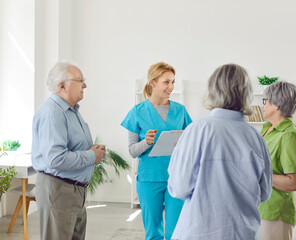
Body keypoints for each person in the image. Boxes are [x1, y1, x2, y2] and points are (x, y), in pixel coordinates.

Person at [167, 64, 273, 239]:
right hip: (242, 233)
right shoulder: (256, 138)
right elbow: (264, 193)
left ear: (212, 90)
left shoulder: (196, 130)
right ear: (247, 93)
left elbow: (178, 188)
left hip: (198, 232)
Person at [32, 61, 106, 240]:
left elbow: (71, 148)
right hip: (59, 190)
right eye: (80, 80)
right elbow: (56, 159)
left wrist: (92, 151)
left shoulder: (71, 111)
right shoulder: (53, 112)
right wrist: (91, 156)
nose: (85, 85)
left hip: (73, 190)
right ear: (62, 86)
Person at [121, 62, 192, 240]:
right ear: (152, 82)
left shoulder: (180, 111)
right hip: (149, 179)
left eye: (173, 82)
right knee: (153, 233)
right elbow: (132, 151)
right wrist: (146, 142)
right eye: (166, 82)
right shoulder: (137, 112)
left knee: (175, 233)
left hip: (176, 177)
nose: (171, 87)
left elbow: (192, 141)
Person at [258, 81, 296, 240]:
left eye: (265, 101)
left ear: (277, 105)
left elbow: (295, 182)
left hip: (276, 211)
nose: (263, 105)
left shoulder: (289, 135)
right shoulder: (267, 130)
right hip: (262, 207)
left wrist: (259, 174)